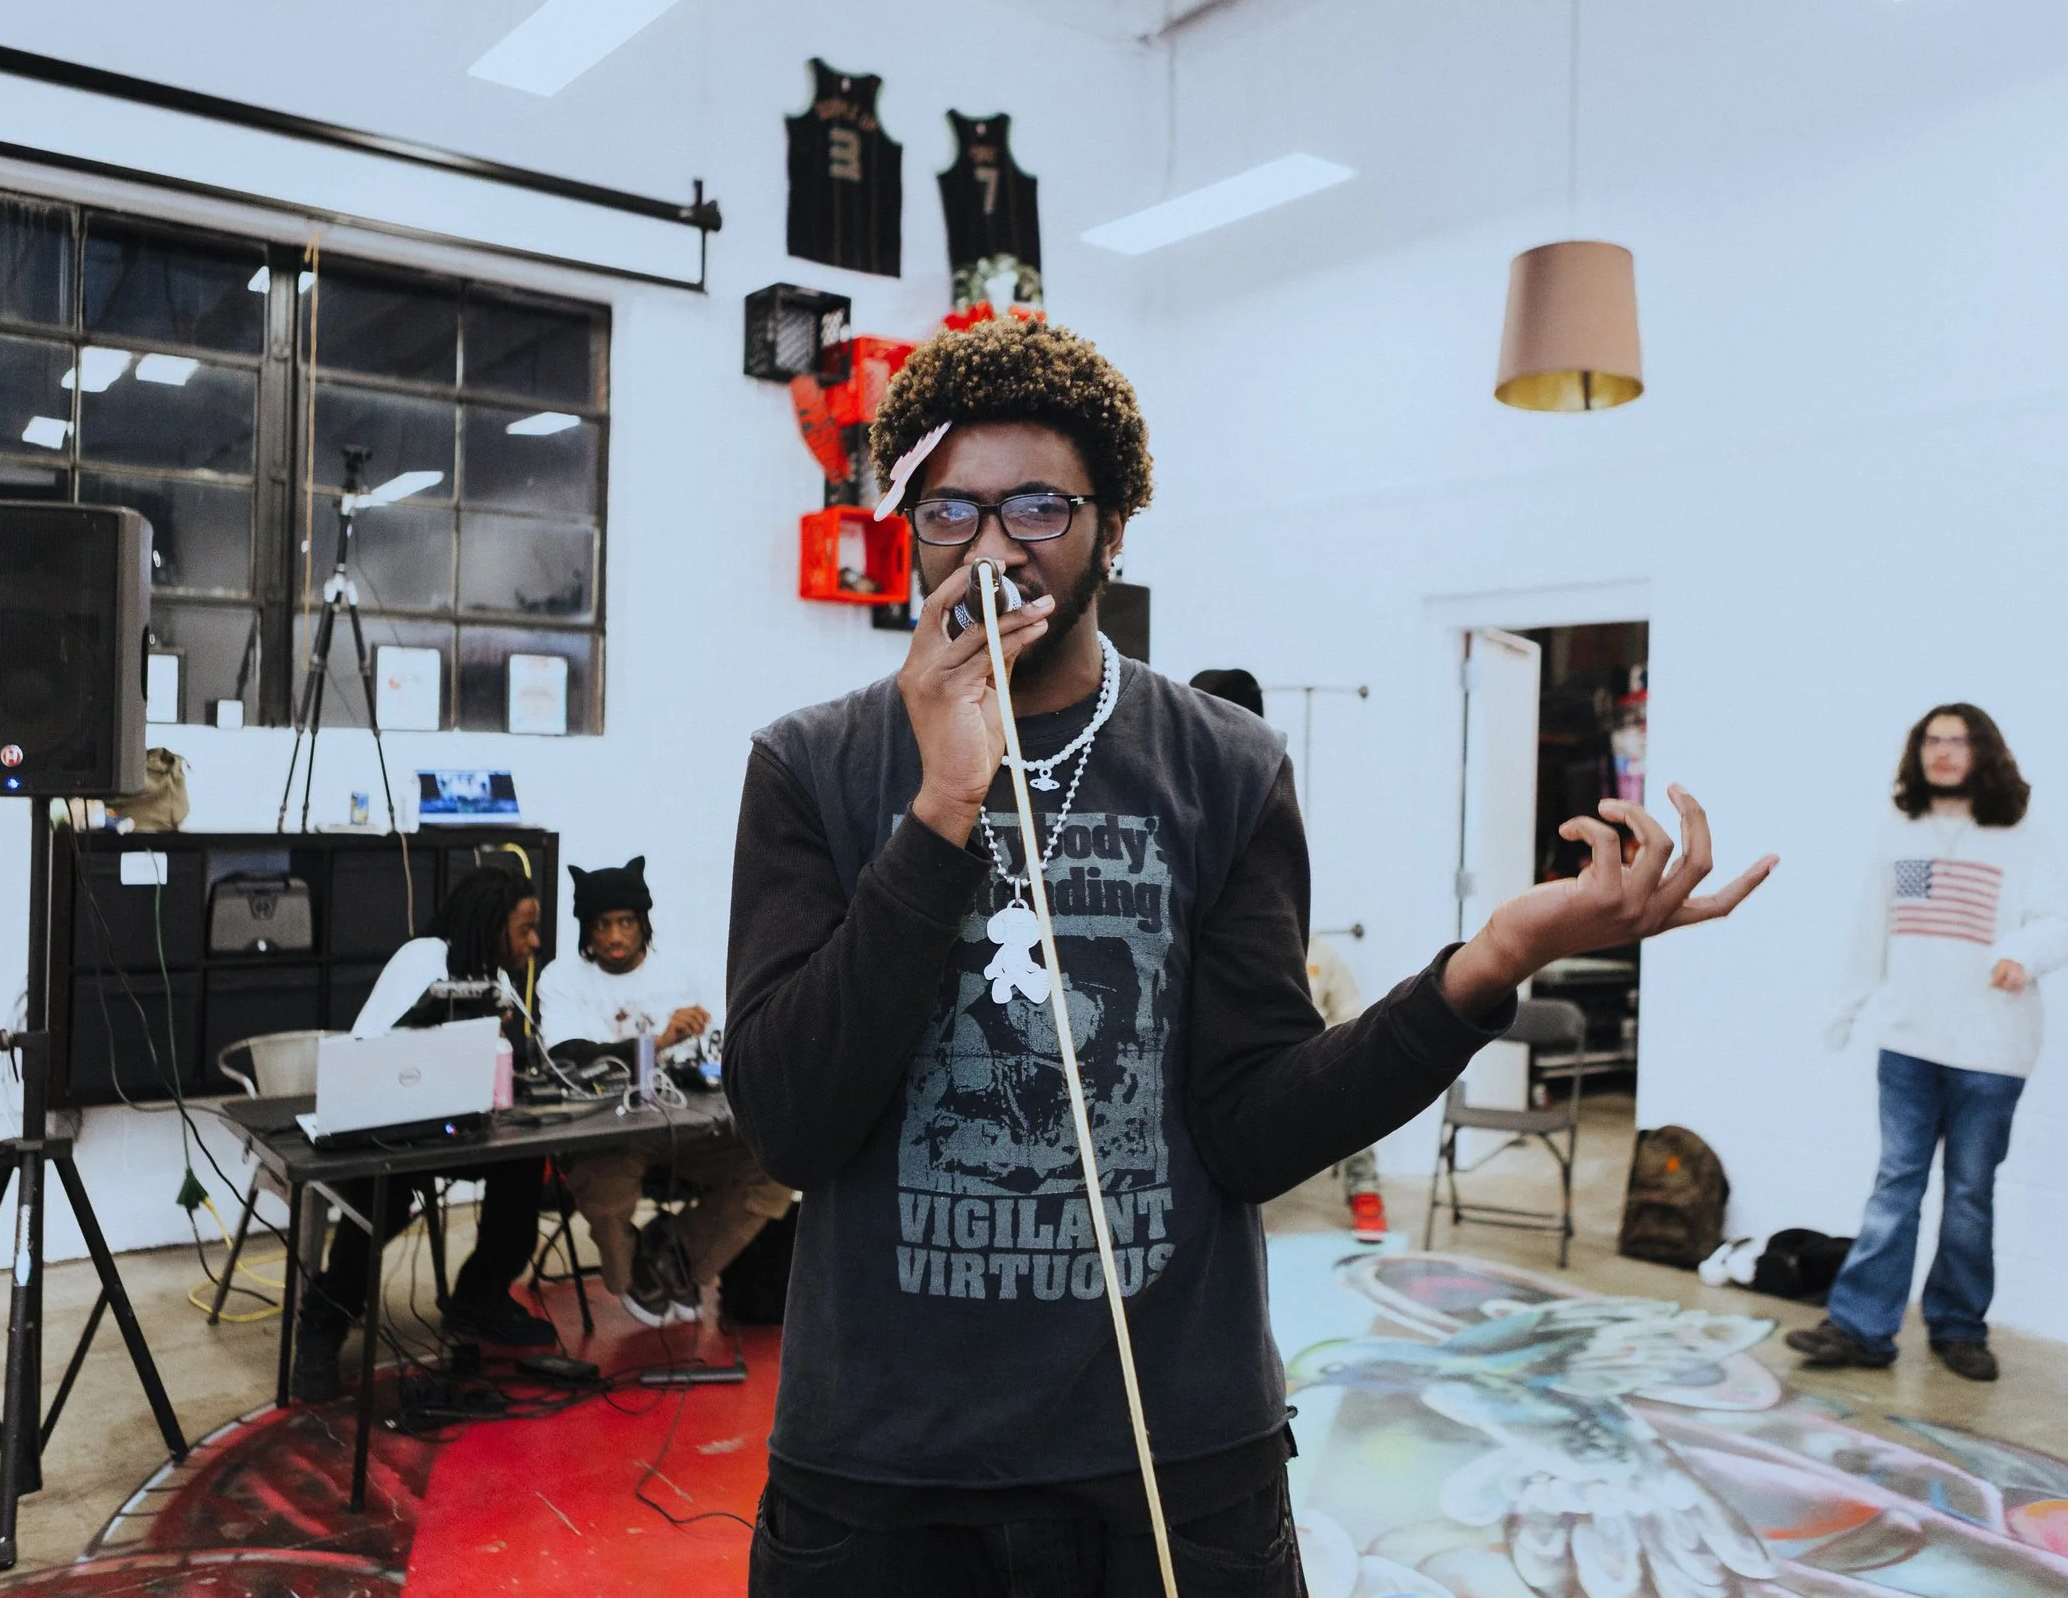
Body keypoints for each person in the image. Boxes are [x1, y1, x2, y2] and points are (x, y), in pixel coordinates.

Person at [723, 315, 1777, 1596]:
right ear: (912, 529)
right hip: (881, 1476)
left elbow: (1252, 1130)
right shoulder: (812, 765)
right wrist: (943, 806)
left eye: (1040, 505)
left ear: (1114, 524)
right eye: (952, 511)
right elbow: (788, 1119)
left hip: (1169, 1462)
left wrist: (1491, 960)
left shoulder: (1223, 764)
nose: (995, 548)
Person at [1787, 704, 2068, 1384]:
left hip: (1992, 1051)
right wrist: (1847, 1009)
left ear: (1984, 752)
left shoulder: (2021, 836)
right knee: (1895, 1185)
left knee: (1971, 1192)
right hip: (1909, 1044)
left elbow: (2061, 922)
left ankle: (1958, 1327)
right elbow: (1871, 931)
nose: (1943, 752)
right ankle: (1861, 1327)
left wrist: (2022, 953)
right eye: (1932, 740)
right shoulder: (1902, 833)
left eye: (1958, 740)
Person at [293, 865, 556, 1402]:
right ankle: (321, 1326)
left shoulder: (496, 977)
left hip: (458, 1126)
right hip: (391, 1129)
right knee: (381, 1201)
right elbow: (369, 1051)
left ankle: (479, 1299)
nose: (535, 941)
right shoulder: (423, 959)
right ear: (489, 924)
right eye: (524, 928)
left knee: (525, 1163)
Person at [539, 858, 794, 1328]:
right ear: (586, 930)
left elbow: (727, 1045)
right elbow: (568, 1057)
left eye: (625, 923)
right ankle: (635, 1269)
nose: (614, 936)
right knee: (605, 1189)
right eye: (601, 925)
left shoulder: (686, 972)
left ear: (643, 923)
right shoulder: (562, 979)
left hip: (687, 1130)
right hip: (607, 1137)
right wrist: (656, 1044)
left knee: (775, 1165)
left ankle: (675, 1252)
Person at [1189, 665, 1389, 1243]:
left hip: (1269, 987)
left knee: (1345, 1067)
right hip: (1198, 995)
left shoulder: (1260, 786)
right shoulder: (1177, 787)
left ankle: (1364, 1188)